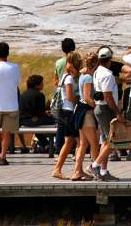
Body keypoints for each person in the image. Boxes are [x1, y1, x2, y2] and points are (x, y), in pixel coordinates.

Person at [89, 54, 123, 180]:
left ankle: (103, 171)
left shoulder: (97, 71)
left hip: (100, 107)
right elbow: (108, 96)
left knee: (105, 141)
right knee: (112, 141)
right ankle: (95, 165)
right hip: (105, 109)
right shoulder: (107, 74)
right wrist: (118, 112)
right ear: (109, 60)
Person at [52, 52, 83, 180]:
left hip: (63, 112)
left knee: (70, 141)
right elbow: (70, 96)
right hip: (68, 112)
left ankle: (60, 169)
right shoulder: (69, 78)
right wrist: (80, 100)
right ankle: (76, 170)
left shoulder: (65, 75)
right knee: (79, 142)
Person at [19, 74, 54, 154]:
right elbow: (40, 112)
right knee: (55, 121)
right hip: (32, 120)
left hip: (22, 121)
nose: (43, 85)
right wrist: (47, 113)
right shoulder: (39, 95)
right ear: (37, 85)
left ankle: (45, 144)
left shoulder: (23, 94)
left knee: (38, 127)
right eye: (42, 83)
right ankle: (53, 145)